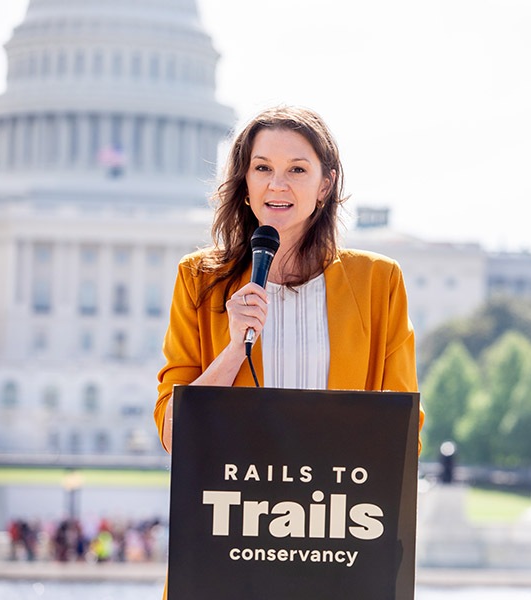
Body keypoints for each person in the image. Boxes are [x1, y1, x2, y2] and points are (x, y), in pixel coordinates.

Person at [153, 104, 423, 453]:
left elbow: (403, 434)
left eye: (297, 169)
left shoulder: (378, 281)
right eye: (262, 168)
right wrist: (235, 349)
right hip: (233, 498)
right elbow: (174, 435)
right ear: (245, 182)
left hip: (336, 498)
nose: (277, 185)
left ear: (324, 185)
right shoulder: (199, 278)